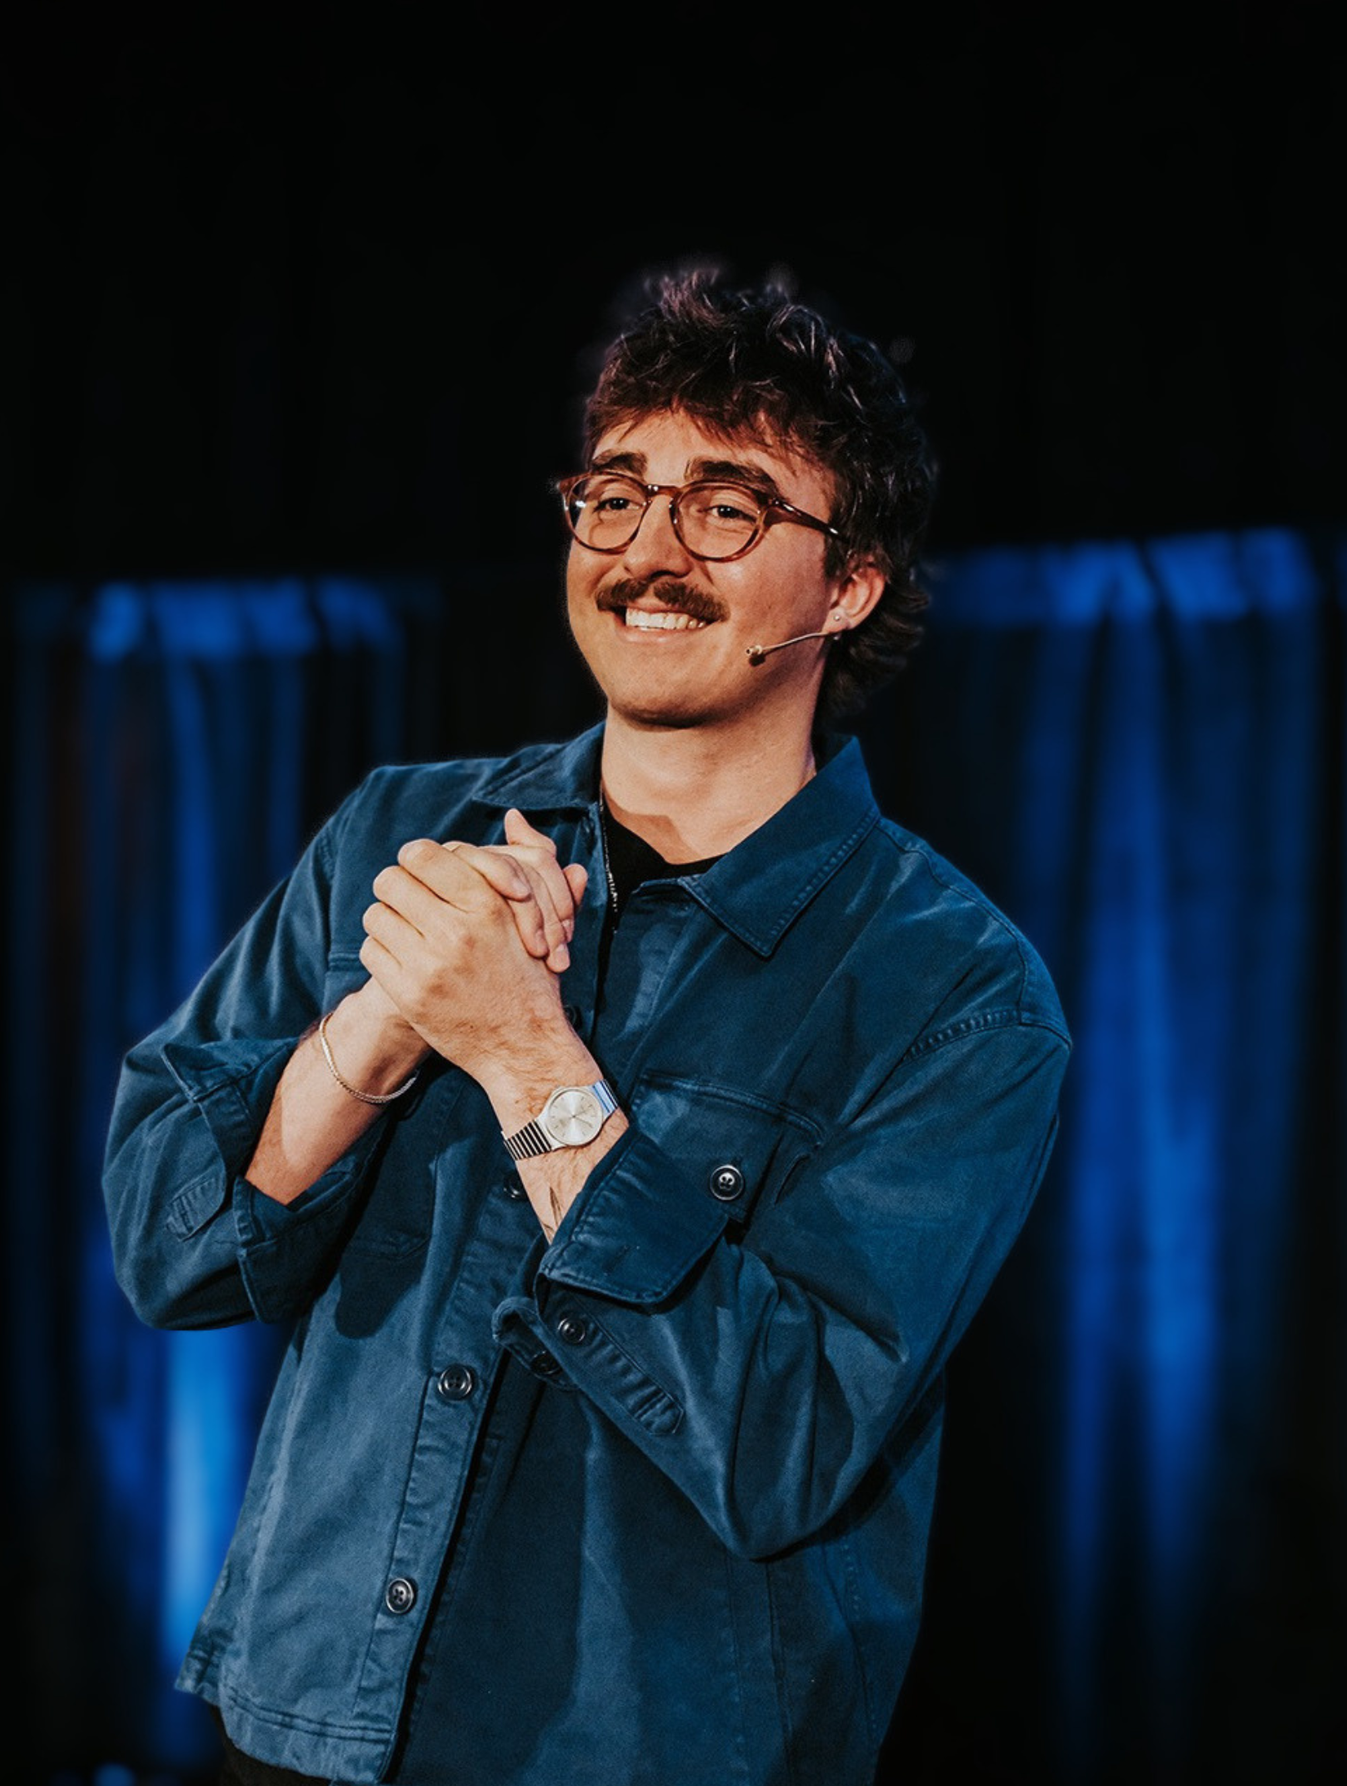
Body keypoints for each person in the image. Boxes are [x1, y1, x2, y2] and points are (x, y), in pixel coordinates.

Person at [103, 273, 1070, 1786]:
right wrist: (378, 1029)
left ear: (852, 583)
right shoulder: (403, 831)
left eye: (729, 509)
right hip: (294, 1733)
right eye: (615, 497)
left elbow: (782, 1442)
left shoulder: (952, 993)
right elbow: (171, 1243)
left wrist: (531, 1061)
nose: (651, 555)